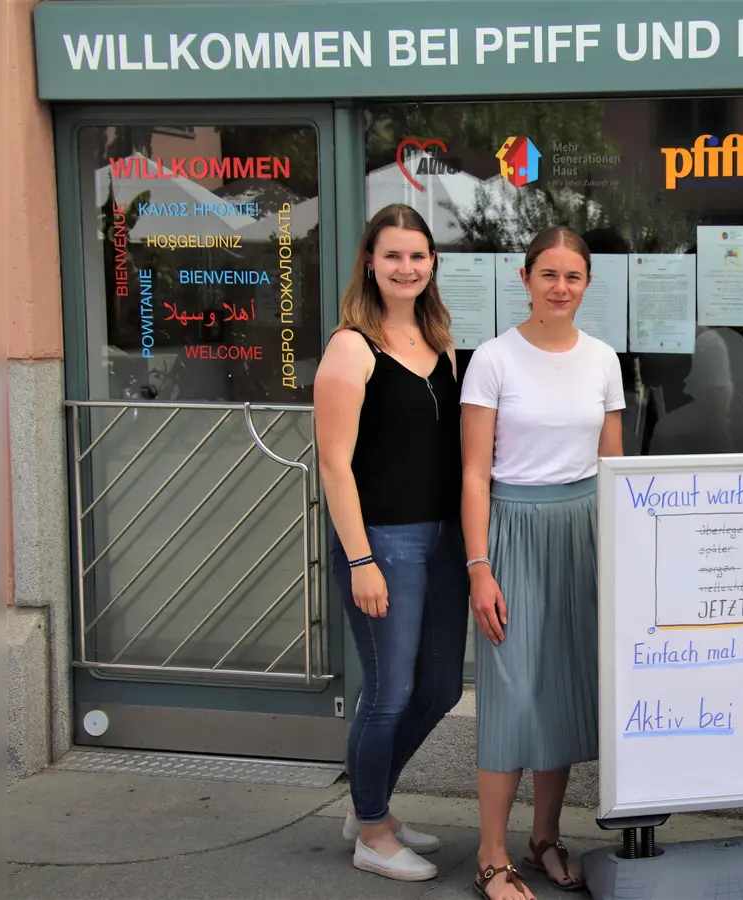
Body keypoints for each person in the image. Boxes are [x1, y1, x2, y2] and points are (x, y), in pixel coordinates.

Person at [460, 226, 625, 900]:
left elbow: (614, 466)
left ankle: (545, 836)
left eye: (574, 276)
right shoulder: (493, 360)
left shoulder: (604, 359)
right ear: (523, 278)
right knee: (511, 693)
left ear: (588, 283)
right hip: (514, 531)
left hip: (583, 529)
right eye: (549, 274)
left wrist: (623, 557)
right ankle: (491, 855)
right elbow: (474, 474)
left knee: (559, 690)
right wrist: (479, 566)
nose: (561, 287)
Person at [315, 204, 467, 882]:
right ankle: (372, 831)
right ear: (370, 264)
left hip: (443, 542)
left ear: (431, 264)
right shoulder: (352, 346)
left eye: (418, 256)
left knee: (437, 689)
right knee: (388, 692)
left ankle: (367, 799)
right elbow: (332, 463)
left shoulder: (442, 339)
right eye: (393, 256)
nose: (406, 267)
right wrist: (361, 560)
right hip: (383, 541)